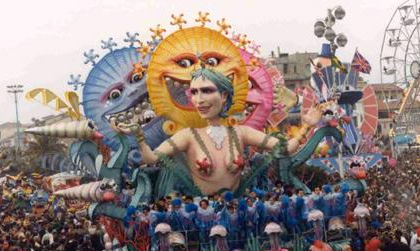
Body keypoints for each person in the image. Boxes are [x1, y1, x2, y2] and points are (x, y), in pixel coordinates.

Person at [116, 66, 321, 195]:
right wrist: (139, 134)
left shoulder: (241, 133)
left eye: (207, 91)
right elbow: (151, 159)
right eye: (194, 92)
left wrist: (307, 126)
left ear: (224, 96)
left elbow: (286, 149)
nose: (199, 99)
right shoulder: (187, 135)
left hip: (238, 212)